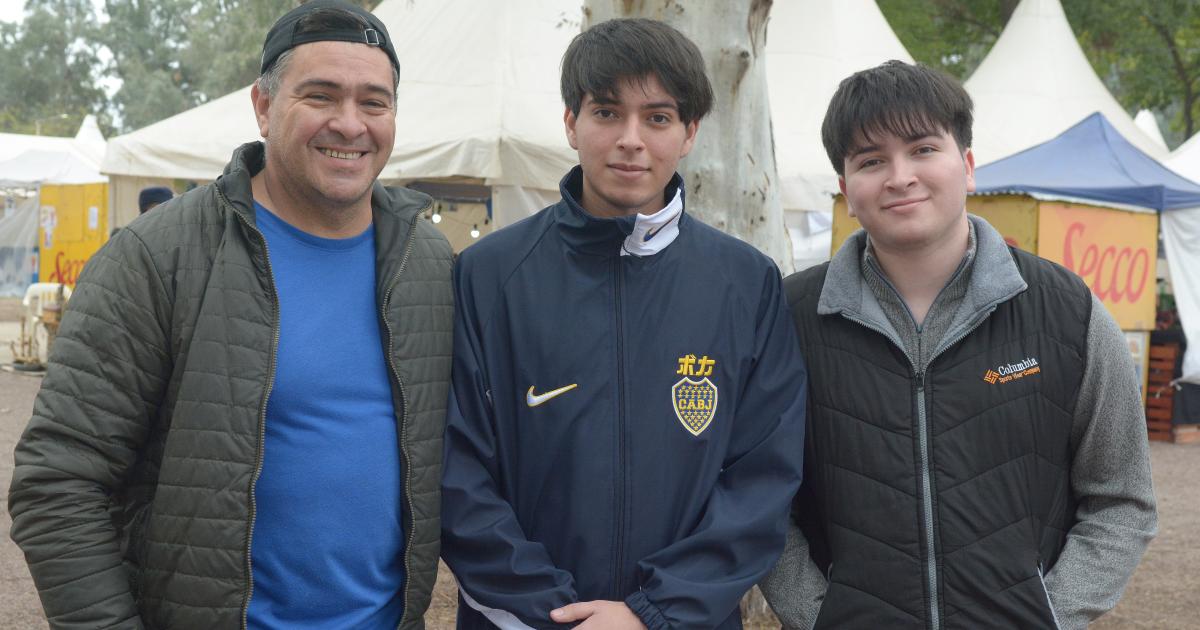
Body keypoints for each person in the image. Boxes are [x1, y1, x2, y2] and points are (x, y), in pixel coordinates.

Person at [8, 2, 454, 628]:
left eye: (374, 103)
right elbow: (57, 481)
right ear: (263, 107)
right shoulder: (158, 256)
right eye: (321, 96)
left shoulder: (428, 262)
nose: (350, 123)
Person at [760, 60, 1157, 629]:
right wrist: (821, 618)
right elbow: (757, 497)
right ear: (846, 191)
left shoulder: (1068, 311)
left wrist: (1050, 617)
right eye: (871, 160)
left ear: (967, 167)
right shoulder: (787, 319)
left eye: (923, 149)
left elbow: (1121, 497)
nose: (900, 177)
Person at [439, 18, 807, 630]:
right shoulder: (488, 274)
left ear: (689, 133)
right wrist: (553, 611)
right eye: (607, 113)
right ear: (571, 123)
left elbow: (763, 477)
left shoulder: (746, 282)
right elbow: (455, 470)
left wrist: (653, 612)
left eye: (657, 118)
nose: (630, 140)